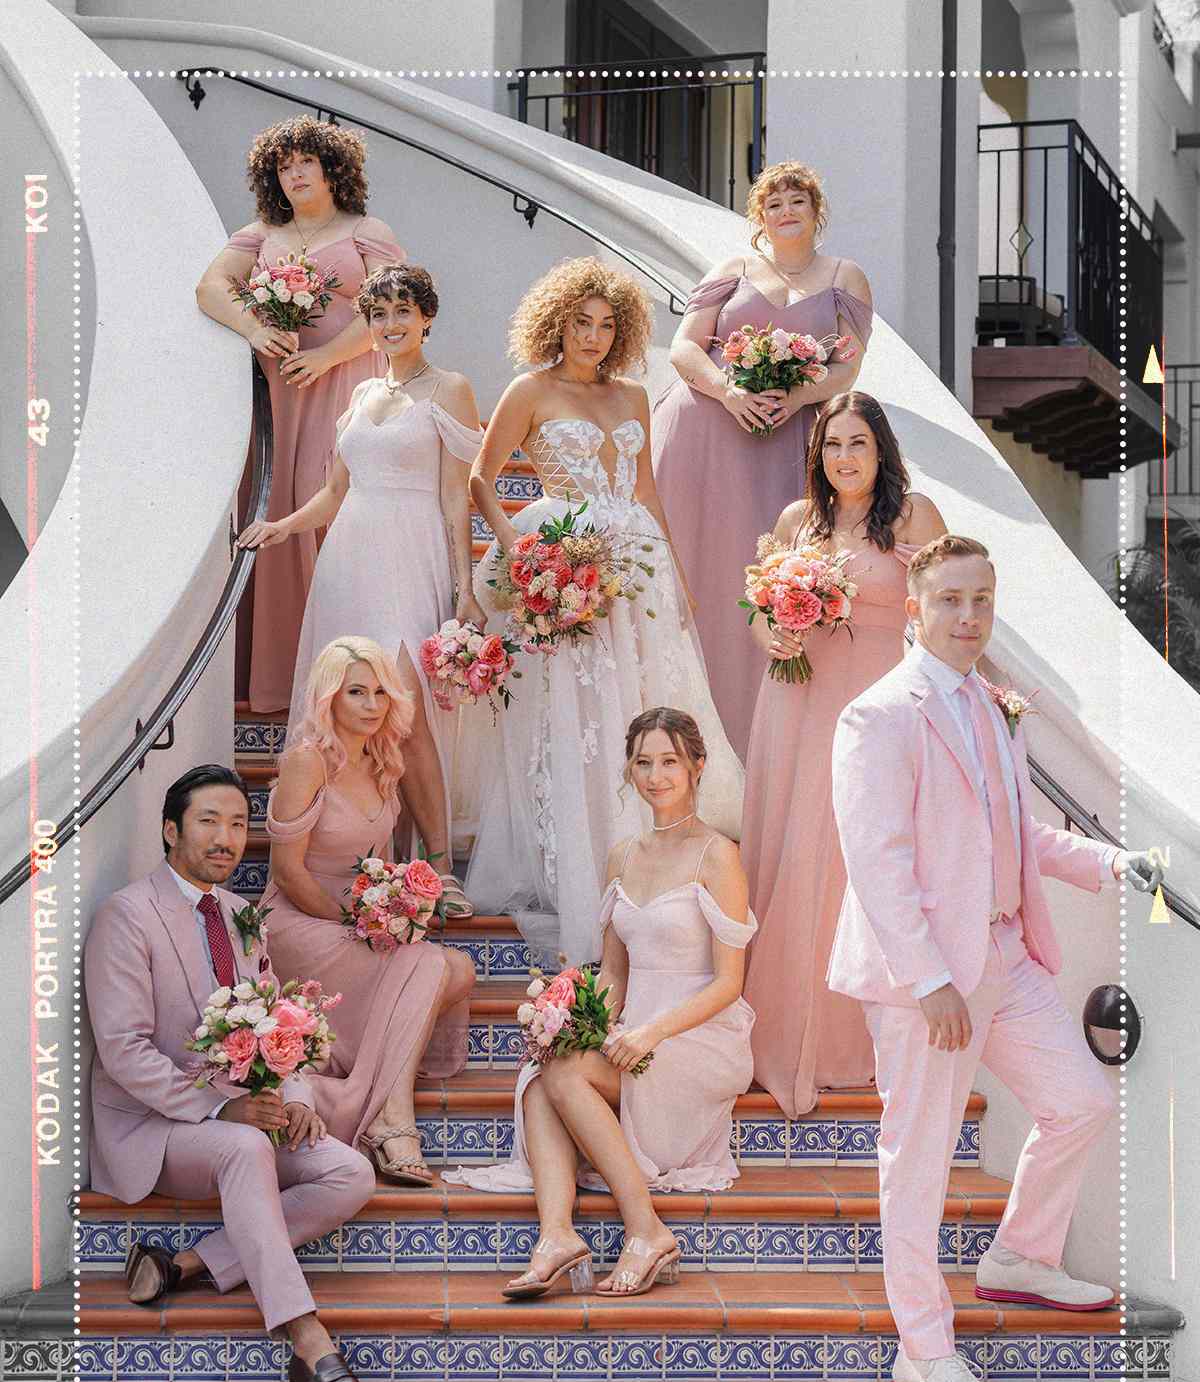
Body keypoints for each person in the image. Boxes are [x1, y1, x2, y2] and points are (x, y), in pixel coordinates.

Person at [827, 534, 1163, 1382]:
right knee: (920, 1163)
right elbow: (878, 861)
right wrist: (930, 978)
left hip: (1006, 956)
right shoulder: (879, 715)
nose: (968, 617)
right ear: (914, 608)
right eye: (949, 600)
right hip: (927, 978)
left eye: (981, 600)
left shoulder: (992, 706)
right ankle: (922, 1352)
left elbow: (1018, 835)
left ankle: (1018, 1257)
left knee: (1081, 1099)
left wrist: (1109, 862)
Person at [463, 256, 744, 965]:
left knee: (643, 705)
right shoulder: (530, 389)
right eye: (581, 322)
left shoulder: (632, 396)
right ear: (556, 322)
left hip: (636, 565)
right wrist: (522, 555)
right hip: (566, 561)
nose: (592, 336)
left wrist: (677, 577)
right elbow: (480, 479)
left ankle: (659, 866)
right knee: (578, 717)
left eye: (606, 324)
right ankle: (586, 866)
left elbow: (645, 492)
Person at [84, 765, 378, 1382]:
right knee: (245, 1150)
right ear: (170, 831)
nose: (226, 837)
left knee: (351, 1173)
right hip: (153, 1126)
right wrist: (223, 1107)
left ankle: (184, 1264)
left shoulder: (244, 916)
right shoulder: (127, 916)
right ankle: (307, 1341)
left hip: (239, 1115)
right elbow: (122, 1048)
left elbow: (277, 1024)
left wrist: (295, 1095)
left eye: (239, 824)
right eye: (209, 822)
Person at [448, 709, 755, 1300]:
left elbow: (729, 983)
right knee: (546, 1071)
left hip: (699, 1034)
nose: (656, 775)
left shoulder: (718, 855)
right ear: (629, 769)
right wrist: (574, 1021)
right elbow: (614, 972)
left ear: (696, 766)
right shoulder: (623, 856)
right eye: (643, 762)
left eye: (669, 761)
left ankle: (646, 1231)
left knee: (561, 1075)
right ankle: (557, 1236)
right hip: (633, 1028)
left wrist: (650, 1034)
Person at [239, 264, 482, 918]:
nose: (392, 325)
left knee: (404, 716)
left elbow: (456, 497)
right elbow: (335, 493)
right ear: (368, 325)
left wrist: (464, 587)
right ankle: (340, 857)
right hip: (349, 557)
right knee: (344, 712)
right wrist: (282, 526)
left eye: (404, 312)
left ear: (426, 317)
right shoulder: (362, 395)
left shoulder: (450, 389)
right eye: (380, 315)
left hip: (411, 552)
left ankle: (437, 862)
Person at [740, 392, 948, 1118]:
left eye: (857, 443)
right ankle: (784, 1031)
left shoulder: (913, 516)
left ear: (881, 450)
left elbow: (948, 605)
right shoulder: (799, 523)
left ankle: (849, 1039)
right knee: (796, 857)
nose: (844, 458)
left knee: (855, 854)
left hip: (875, 706)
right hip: (796, 701)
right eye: (831, 445)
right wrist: (774, 634)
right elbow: (761, 618)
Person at [652, 160, 873, 757]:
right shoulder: (732, 270)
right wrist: (729, 391)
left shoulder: (845, 278)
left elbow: (848, 366)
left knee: (760, 568)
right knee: (697, 565)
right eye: (773, 204)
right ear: (760, 217)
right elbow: (683, 347)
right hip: (705, 430)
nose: (785, 212)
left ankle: (754, 745)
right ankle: (672, 731)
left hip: (787, 437)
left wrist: (795, 395)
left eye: (796, 200)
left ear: (815, 209)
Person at [196, 115, 406, 713]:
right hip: (278, 391)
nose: (294, 174)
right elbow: (212, 287)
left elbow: (394, 311)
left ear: (331, 167)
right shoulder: (263, 232)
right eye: (283, 166)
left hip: (344, 385)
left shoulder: (369, 230)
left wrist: (325, 360)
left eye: (304, 162)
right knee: (277, 505)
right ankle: (276, 680)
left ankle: (344, 677)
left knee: (326, 507)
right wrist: (255, 326)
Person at [260, 638, 477, 1185]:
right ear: (329, 697)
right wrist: (356, 923)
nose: (372, 703)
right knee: (429, 966)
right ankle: (392, 1117)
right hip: (297, 918)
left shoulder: (384, 761)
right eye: (357, 691)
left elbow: (377, 868)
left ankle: (377, 1088)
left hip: (351, 919)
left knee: (461, 970)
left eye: (381, 691)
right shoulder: (307, 762)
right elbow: (288, 872)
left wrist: (394, 909)